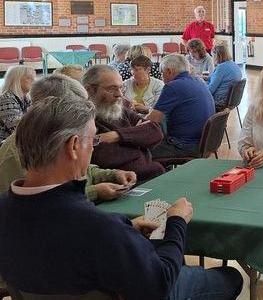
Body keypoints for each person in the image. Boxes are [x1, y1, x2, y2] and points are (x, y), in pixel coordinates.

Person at [0, 95, 243, 300]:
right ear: (74, 146)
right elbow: (160, 284)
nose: (94, 148)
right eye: (92, 140)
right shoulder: (99, 228)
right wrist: (177, 223)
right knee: (230, 278)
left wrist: (126, 228)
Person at [0, 74, 136, 202]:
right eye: (74, 110)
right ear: (51, 108)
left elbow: (85, 171)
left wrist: (112, 174)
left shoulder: (53, 134)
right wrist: (94, 192)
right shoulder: (17, 152)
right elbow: (36, 202)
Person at [82, 65, 165, 181]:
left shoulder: (119, 109)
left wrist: (116, 136)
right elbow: (101, 156)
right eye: (112, 89)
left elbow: (156, 131)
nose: (119, 94)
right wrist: (137, 139)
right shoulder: (82, 118)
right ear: (89, 90)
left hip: (150, 174)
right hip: (120, 182)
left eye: (121, 88)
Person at [147, 54, 215, 159]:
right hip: (204, 143)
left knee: (137, 152)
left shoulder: (173, 86)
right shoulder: (199, 81)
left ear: (169, 71)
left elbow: (153, 120)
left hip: (184, 146)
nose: (161, 77)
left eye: (162, 73)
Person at [0, 66, 35, 143]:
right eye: (29, 78)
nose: (34, 81)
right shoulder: (6, 99)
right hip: (5, 146)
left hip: (17, 142)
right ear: (17, 80)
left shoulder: (26, 99)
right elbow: (17, 128)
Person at [208, 41, 243, 111]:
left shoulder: (221, 68)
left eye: (213, 55)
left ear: (216, 55)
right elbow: (222, 79)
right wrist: (208, 78)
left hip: (219, 101)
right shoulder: (234, 64)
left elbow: (210, 90)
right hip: (231, 100)